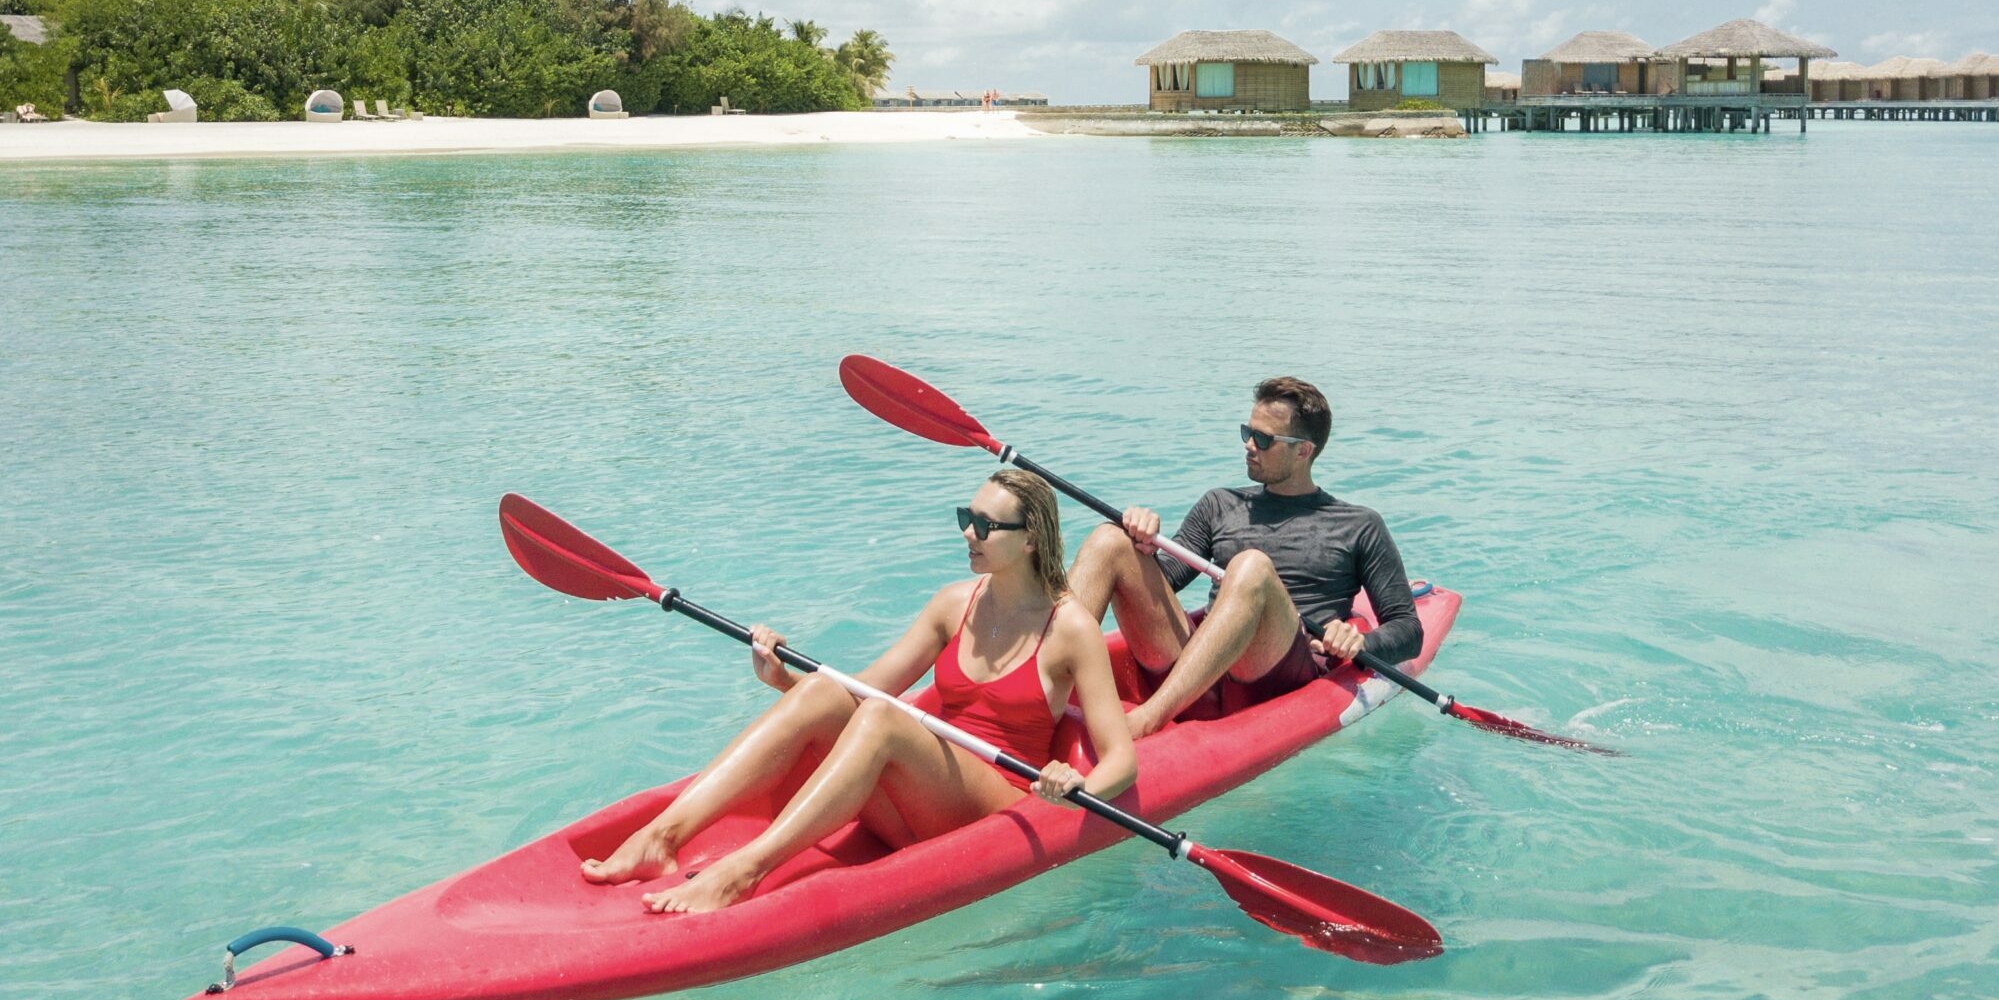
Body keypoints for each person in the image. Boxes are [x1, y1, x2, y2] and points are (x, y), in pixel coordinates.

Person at [582, 469, 1137, 913]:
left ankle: (743, 872)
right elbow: (860, 688)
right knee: (823, 692)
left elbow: (1122, 761)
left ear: (1031, 538)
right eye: (966, 518)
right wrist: (782, 680)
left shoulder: (1069, 628)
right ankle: (662, 837)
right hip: (915, 801)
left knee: (881, 719)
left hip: (991, 803)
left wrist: (1074, 783)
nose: (969, 533)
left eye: (986, 526)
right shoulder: (954, 604)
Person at [1070, 376, 1423, 739]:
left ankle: (1149, 719)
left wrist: (1360, 643)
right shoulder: (1220, 504)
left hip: (1276, 676)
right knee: (1109, 539)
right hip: (1198, 676)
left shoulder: (1359, 525)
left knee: (1251, 567)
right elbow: (1167, 578)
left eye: (1264, 439)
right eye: (1247, 432)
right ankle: (1040, 688)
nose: (1250, 445)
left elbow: (1408, 631)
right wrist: (1142, 541)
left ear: (1303, 451)